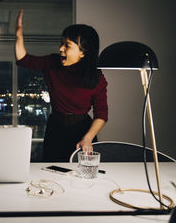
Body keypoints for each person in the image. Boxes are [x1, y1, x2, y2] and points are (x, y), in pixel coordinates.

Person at [14, 10, 108, 162]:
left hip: (82, 131)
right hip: (55, 128)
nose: (60, 49)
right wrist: (18, 35)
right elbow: (23, 59)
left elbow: (101, 115)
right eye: (61, 43)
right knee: (52, 171)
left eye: (67, 45)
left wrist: (88, 138)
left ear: (83, 53)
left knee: (82, 175)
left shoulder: (96, 78)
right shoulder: (53, 63)